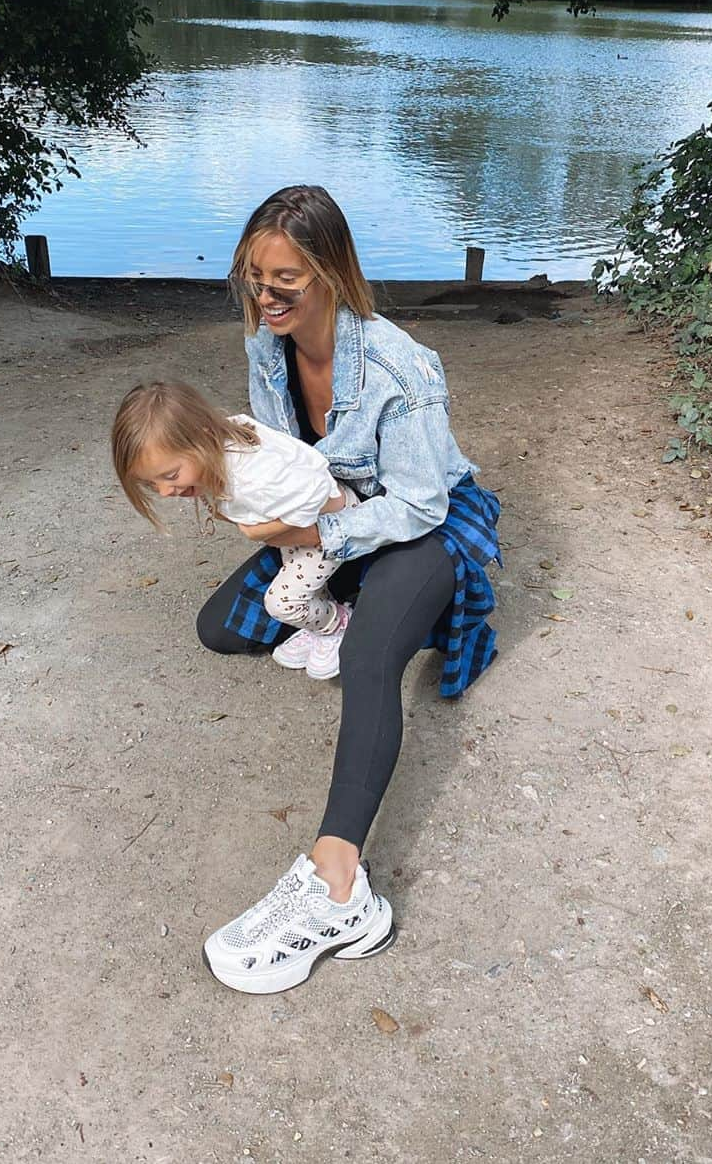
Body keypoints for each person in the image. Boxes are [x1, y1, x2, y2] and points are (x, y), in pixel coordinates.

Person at [197, 185, 502, 995]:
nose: (265, 298)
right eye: (253, 278)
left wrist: (318, 540)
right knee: (220, 628)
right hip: (332, 512)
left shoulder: (400, 365)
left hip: (420, 522)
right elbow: (279, 457)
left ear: (332, 271)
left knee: (370, 658)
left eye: (284, 281)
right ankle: (369, 605)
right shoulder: (268, 346)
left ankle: (339, 887)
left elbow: (417, 502)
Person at [110, 381, 362, 680]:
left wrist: (261, 531)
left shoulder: (251, 476)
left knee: (282, 602)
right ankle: (318, 624)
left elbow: (320, 487)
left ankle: (338, 625)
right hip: (298, 527)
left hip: (331, 525)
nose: (165, 491)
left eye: (170, 476)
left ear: (203, 437)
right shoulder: (217, 444)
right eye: (153, 484)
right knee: (303, 584)